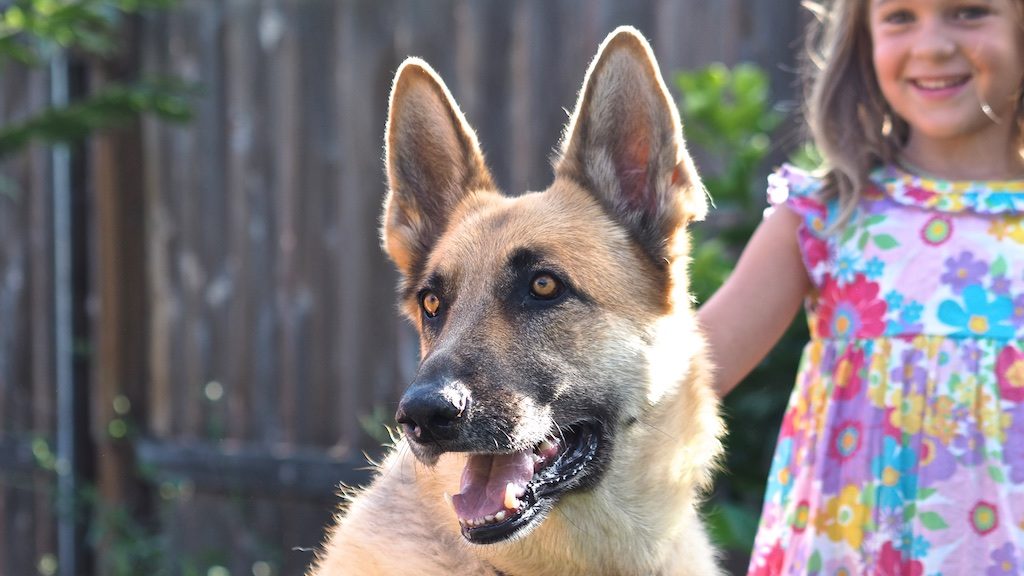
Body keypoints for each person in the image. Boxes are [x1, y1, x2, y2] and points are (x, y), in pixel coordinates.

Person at [698, 0, 1024, 573]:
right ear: (862, 42)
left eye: (969, 12)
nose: (932, 45)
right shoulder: (824, 216)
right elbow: (685, 376)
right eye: (901, 17)